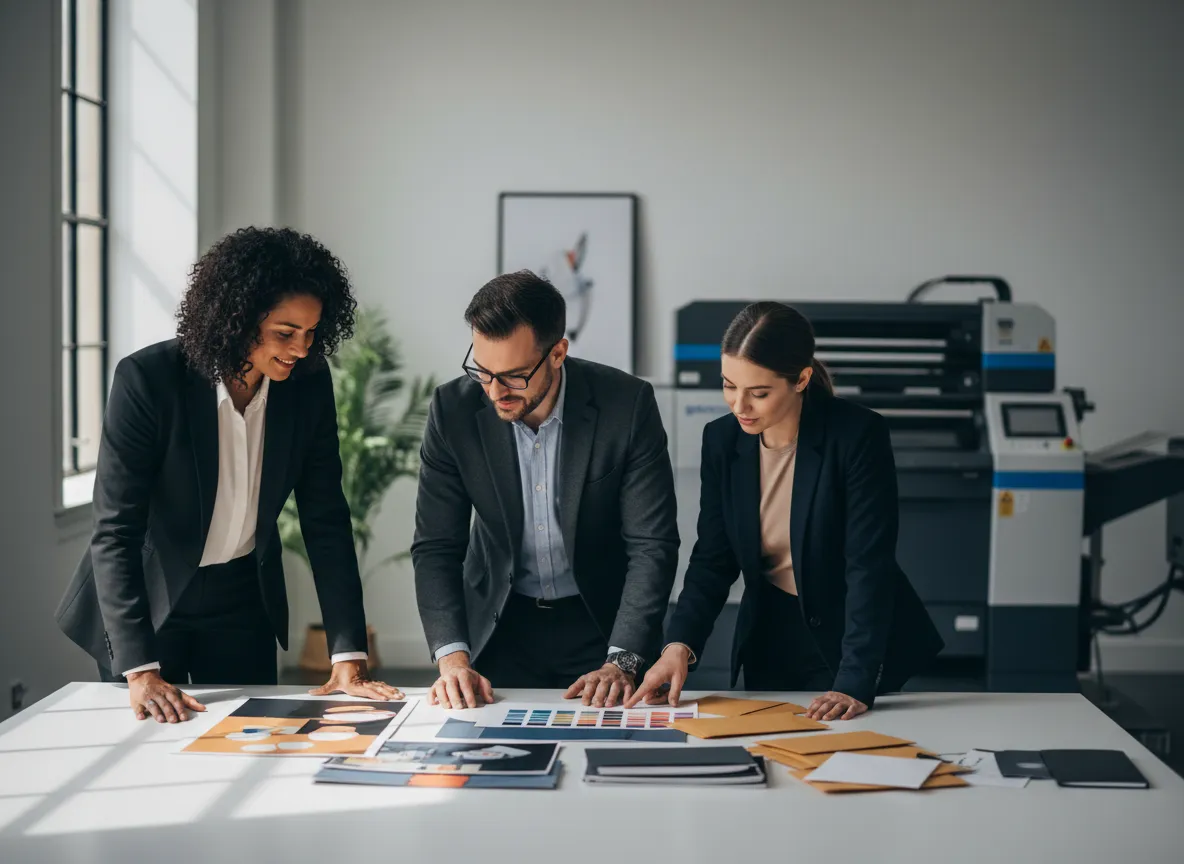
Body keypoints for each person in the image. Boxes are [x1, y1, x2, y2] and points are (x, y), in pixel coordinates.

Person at [55, 227, 403, 723]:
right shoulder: (148, 380)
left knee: (251, 738)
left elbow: (325, 516)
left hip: (242, 600)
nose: (302, 349)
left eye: (311, 333)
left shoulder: (307, 383)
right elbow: (115, 530)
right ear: (238, 318)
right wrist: (140, 669)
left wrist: (348, 655)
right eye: (285, 333)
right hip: (148, 599)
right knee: (150, 743)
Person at [626, 301, 942, 720]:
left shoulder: (857, 435)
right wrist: (678, 646)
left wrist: (854, 680)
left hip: (851, 634)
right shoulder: (722, 440)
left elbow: (869, 565)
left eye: (758, 393)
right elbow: (713, 558)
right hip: (770, 634)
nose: (739, 406)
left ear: (801, 380)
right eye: (729, 386)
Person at [411, 270, 679, 709]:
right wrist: (452, 659)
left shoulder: (626, 405)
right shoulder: (452, 410)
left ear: (558, 353)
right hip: (497, 627)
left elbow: (652, 544)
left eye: (515, 376)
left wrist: (623, 659)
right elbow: (437, 546)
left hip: (604, 626)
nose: (495, 392)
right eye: (483, 372)